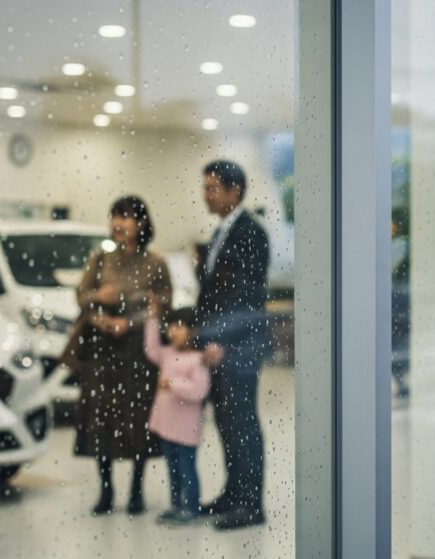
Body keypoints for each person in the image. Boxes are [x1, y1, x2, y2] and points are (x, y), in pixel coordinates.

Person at [68, 195, 172, 516]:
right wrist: (100, 305)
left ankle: (136, 490)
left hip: (138, 354)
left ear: (141, 223)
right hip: (103, 354)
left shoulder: (155, 263)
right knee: (102, 420)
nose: (117, 223)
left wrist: (130, 321)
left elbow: (163, 305)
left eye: (125, 217)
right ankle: (106, 489)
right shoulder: (99, 259)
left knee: (137, 420)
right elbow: (82, 297)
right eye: (114, 216)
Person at [194, 160, 270, 530]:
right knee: (226, 422)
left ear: (233, 191)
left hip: (239, 348)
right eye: (205, 187)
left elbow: (246, 298)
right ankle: (233, 493)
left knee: (243, 424)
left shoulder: (250, 234)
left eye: (212, 188)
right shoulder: (221, 233)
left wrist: (222, 341)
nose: (206, 195)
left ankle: (251, 504)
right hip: (221, 347)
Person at [144, 301, 211, 525]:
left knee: (186, 469)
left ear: (193, 331)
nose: (172, 331)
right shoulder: (167, 354)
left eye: (179, 326)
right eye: (171, 326)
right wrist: (153, 319)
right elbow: (151, 349)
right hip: (166, 426)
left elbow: (199, 391)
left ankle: (191, 507)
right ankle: (176, 505)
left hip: (185, 429)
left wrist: (173, 383)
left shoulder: (198, 360)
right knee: (172, 469)